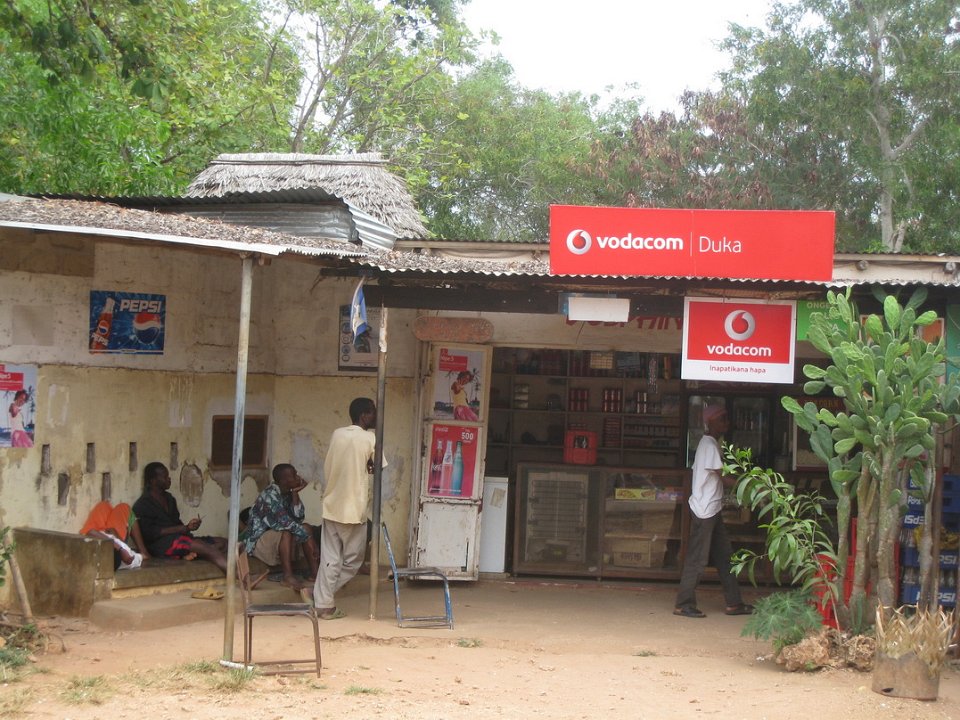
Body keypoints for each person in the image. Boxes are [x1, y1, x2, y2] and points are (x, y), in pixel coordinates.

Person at [674, 404, 753, 618]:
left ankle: (734, 603)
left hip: (712, 509)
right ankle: (683, 603)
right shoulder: (709, 444)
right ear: (710, 422)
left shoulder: (710, 443)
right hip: (705, 511)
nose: (726, 422)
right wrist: (748, 486)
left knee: (725, 557)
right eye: (722, 419)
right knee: (697, 558)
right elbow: (723, 476)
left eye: (726, 418)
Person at [310, 397, 383, 620]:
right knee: (352, 562)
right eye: (373, 412)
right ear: (364, 415)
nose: (376, 416)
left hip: (332, 504)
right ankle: (322, 600)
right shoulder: (370, 438)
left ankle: (322, 602)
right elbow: (378, 468)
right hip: (353, 508)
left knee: (330, 559)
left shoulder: (337, 434)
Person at [133, 462, 228, 572]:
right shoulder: (143, 505)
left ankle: (194, 553)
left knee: (224, 543)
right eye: (165, 477)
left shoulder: (169, 499)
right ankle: (236, 575)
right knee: (209, 549)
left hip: (180, 539)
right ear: (153, 481)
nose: (169, 479)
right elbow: (149, 534)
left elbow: (177, 524)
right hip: (162, 546)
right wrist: (183, 528)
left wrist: (190, 527)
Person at [241, 463, 320, 590]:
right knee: (289, 532)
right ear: (283, 481)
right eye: (294, 475)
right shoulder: (269, 496)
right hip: (259, 542)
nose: (298, 477)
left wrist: (295, 494)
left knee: (306, 527)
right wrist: (310, 540)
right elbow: (286, 523)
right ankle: (287, 577)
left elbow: (299, 518)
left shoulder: (287, 493)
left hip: (277, 536)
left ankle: (316, 575)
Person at [80, 500, 151, 569]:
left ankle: (107, 527)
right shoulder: (129, 557)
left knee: (104, 505)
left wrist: (120, 548)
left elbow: (90, 532)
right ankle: (143, 550)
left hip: (97, 534)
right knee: (123, 507)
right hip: (108, 534)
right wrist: (117, 541)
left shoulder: (122, 555)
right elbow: (138, 558)